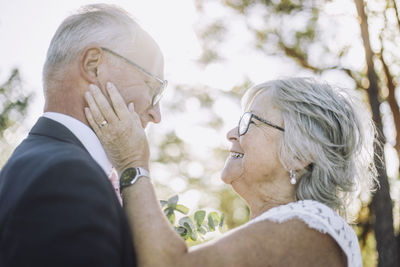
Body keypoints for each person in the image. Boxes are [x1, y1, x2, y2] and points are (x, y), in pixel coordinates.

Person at [85, 77, 377, 267]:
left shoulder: (312, 227)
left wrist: (132, 163)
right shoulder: (283, 232)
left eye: (250, 121)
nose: (231, 133)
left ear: (300, 155)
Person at [0, 4, 166, 267]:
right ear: (93, 66)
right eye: (152, 86)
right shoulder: (66, 176)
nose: (157, 114)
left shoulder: (33, 162)